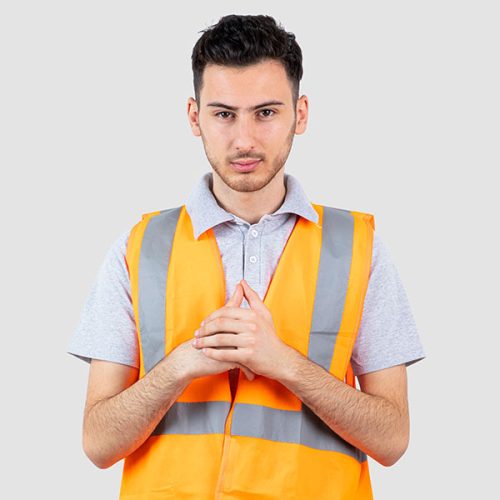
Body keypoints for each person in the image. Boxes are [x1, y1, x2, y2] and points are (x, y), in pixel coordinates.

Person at [68, 14, 425, 499]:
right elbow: (97, 444)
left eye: (266, 112)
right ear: (194, 116)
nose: (244, 140)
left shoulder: (359, 248)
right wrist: (179, 366)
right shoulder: (139, 248)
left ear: (300, 113)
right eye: (223, 114)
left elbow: (393, 439)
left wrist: (285, 364)